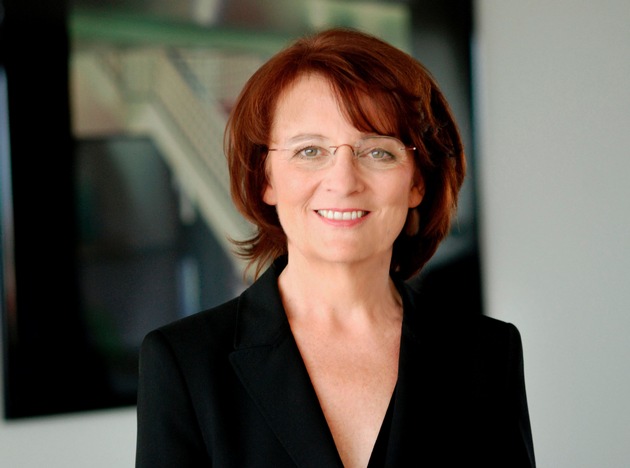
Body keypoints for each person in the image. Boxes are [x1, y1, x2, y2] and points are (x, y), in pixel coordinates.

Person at [135, 28, 536, 467]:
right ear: (266, 177)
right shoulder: (184, 362)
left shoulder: (486, 353)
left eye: (378, 152)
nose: (343, 182)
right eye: (310, 151)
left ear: (417, 181)